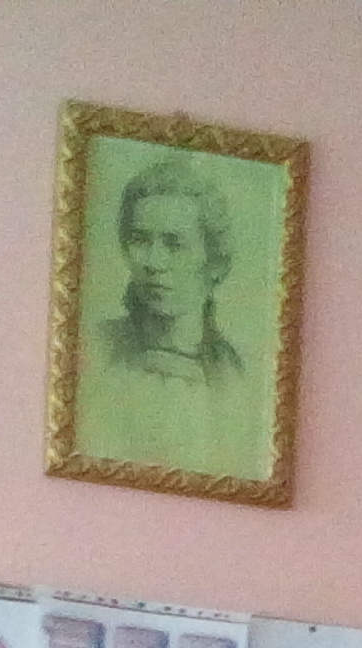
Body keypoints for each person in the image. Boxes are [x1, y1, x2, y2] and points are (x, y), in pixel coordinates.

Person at [80, 155, 263, 481]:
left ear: (212, 259)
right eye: (140, 240)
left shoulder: (236, 373)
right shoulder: (95, 349)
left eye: (174, 244)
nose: (153, 261)